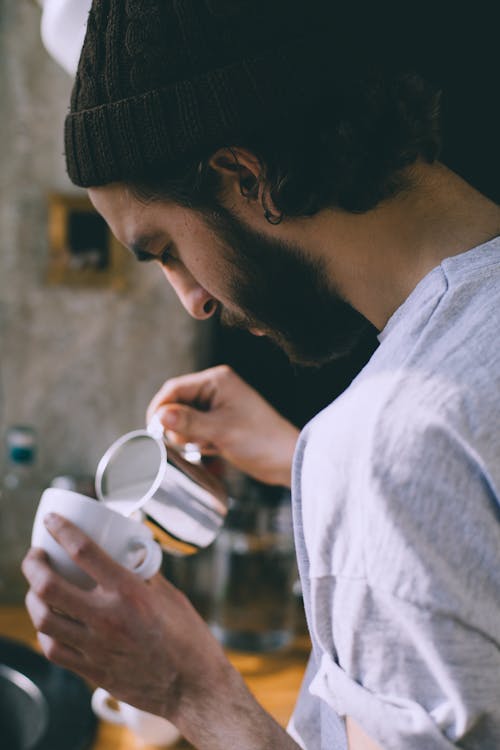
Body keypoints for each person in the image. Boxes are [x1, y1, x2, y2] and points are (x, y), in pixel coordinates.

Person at [22, 2, 500, 748]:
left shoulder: (393, 439)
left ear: (246, 173)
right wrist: (300, 458)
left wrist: (188, 691)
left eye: (165, 248)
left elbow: (419, 458)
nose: (195, 300)